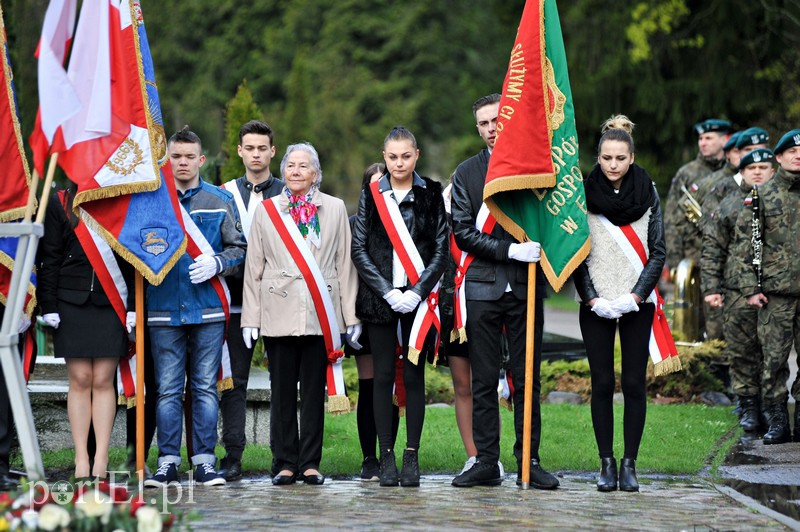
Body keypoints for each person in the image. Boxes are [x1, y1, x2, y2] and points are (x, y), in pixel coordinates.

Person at [450, 94, 557, 490]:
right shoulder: (466, 173)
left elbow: (551, 219)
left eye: (496, 119)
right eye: (483, 123)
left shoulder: (536, 166)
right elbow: (463, 231)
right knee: (482, 379)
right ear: (476, 128)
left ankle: (529, 460)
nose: (491, 127)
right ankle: (487, 462)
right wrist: (508, 250)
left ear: (507, 118)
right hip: (482, 287)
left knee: (527, 379)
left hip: (527, 284)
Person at [241, 142, 359, 486]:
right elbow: (254, 267)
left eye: (303, 166)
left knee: (312, 393)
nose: (295, 171)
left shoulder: (335, 208)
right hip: (278, 310)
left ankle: (309, 463)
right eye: (290, 165)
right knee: (281, 394)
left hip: (321, 314)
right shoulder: (267, 210)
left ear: (316, 174)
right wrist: (251, 318)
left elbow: (345, 265)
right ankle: (284, 463)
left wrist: (350, 317)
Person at [144, 127, 246, 487]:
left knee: (204, 387)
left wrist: (218, 262)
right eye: (176, 156)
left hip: (207, 309)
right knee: (168, 388)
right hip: (162, 308)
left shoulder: (219, 200)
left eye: (189, 156)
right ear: (166, 160)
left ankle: (204, 461)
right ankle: (167, 462)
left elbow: (240, 250)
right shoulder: (151, 201)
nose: (183, 162)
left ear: (201, 160)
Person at [572, 115, 666, 492]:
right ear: (598, 157)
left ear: (632, 157)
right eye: (606, 158)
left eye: (620, 158)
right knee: (601, 382)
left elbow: (658, 251)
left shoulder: (648, 191)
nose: (613, 165)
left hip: (635, 302)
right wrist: (592, 296)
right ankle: (606, 463)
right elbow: (574, 251)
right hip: (594, 302)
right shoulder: (580, 193)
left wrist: (635, 296)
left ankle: (630, 463)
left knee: (633, 383)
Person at [352, 126, 448, 487]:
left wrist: (417, 291)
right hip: (381, 299)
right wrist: (387, 291)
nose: (398, 163)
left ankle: (411, 456)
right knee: (382, 377)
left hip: (418, 302)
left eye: (406, 156)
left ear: (417, 155)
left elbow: (441, 249)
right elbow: (359, 248)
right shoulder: (371, 193)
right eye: (392, 156)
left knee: (413, 376)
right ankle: (386, 457)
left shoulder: (431, 194)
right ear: (384, 154)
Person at [38, 182, 136, 480]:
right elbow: (49, 257)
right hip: (71, 299)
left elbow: (131, 257)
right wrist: (48, 304)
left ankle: (101, 458)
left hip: (111, 299)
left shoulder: (120, 196)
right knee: (80, 378)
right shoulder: (60, 201)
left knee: (104, 378)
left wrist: (132, 304)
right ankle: (82, 457)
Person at [217, 120, 284, 482]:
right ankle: (233, 455)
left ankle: (282, 456)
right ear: (240, 151)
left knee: (282, 382)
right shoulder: (222, 194)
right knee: (234, 382)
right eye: (250, 148)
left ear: (272, 151)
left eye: (263, 148)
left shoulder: (289, 193)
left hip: (279, 304)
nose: (256, 154)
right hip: (236, 304)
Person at [702, 148, 775, 433]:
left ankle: (772, 406)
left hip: (777, 289)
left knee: (773, 352)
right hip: (736, 289)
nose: (757, 172)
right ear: (741, 172)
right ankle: (748, 405)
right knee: (742, 350)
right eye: (750, 167)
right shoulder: (730, 204)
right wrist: (711, 287)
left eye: (763, 167)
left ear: (773, 169)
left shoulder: (783, 202)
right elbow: (713, 249)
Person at [744, 129, 800, 444]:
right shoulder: (763, 195)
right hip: (776, 293)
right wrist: (753, 287)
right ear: (778, 157)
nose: (798, 155)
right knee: (774, 360)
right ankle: (778, 420)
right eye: (791, 151)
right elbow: (751, 245)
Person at [347, 162, 399, 481]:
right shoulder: (355, 223)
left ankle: (389, 453)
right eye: (373, 184)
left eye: (385, 184)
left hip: (398, 311)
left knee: (391, 384)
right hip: (364, 312)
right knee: (370, 385)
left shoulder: (404, 223)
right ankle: (369, 457)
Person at [664, 118, 731, 273]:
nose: (702, 143)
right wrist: (675, 264)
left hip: (729, 260)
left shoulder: (735, 171)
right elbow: (671, 221)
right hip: (696, 260)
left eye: (708, 138)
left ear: (724, 139)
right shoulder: (687, 173)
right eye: (700, 139)